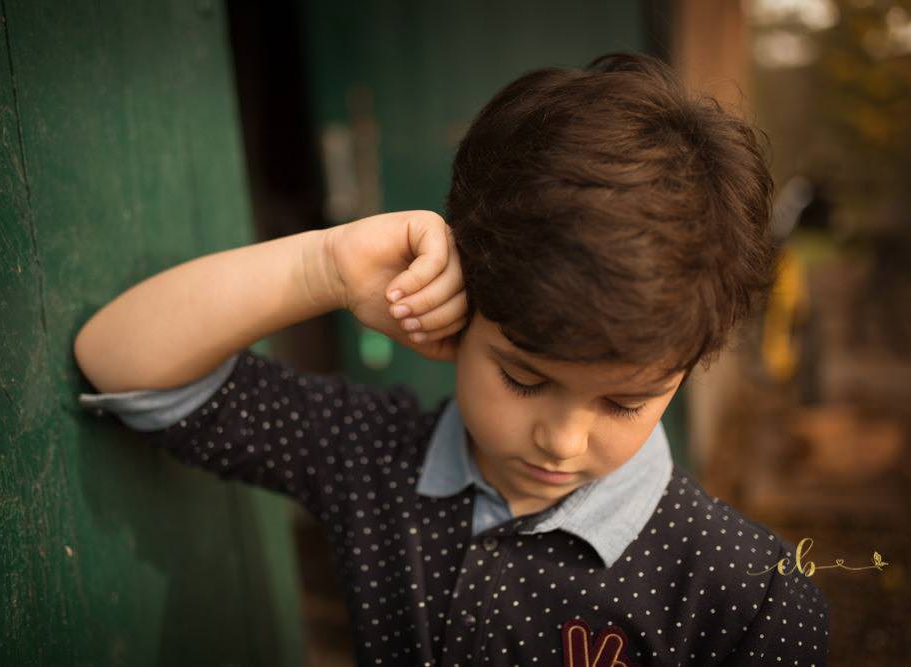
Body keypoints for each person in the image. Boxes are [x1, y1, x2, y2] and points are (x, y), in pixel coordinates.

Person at [74, 52, 829, 665]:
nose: (562, 441)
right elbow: (118, 360)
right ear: (459, 311)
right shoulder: (371, 457)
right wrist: (326, 268)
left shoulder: (750, 593)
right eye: (524, 377)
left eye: (625, 402)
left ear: (688, 367)